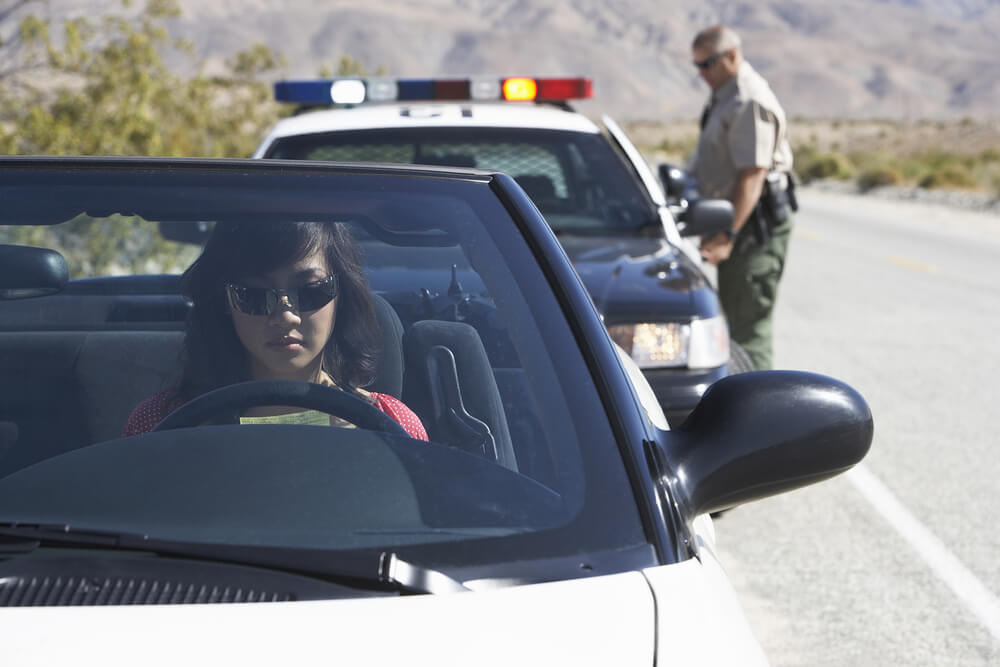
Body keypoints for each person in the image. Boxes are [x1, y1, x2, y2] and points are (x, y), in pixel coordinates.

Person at [122, 220, 427, 439]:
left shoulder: (394, 425)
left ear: (342, 295)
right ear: (224, 302)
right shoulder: (159, 425)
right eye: (254, 296)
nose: (285, 317)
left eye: (310, 291)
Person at [689, 24, 796, 370]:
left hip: (752, 227)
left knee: (748, 332)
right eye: (697, 66)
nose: (702, 74)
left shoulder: (749, 99)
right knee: (734, 323)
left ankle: (762, 419)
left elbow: (752, 177)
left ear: (732, 56)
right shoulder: (725, 94)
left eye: (708, 64)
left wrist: (726, 234)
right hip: (738, 223)